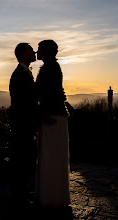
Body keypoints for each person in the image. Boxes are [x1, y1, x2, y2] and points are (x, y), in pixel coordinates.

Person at [35, 39, 71, 211]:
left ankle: (51, 197)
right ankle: (55, 195)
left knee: (51, 156)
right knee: (55, 157)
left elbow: (46, 93)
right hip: (57, 114)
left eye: (39, 49)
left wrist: (42, 113)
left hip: (52, 116)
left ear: (46, 51)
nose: (37, 52)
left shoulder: (49, 68)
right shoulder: (53, 67)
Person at [9, 43, 38, 214]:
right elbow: (23, 103)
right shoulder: (19, 75)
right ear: (22, 54)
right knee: (20, 161)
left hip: (24, 125)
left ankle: (21, 196)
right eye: (29, 49)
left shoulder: (24, 72)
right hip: (22, 125)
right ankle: (19, 198)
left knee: (23, 161)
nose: (33, 51)